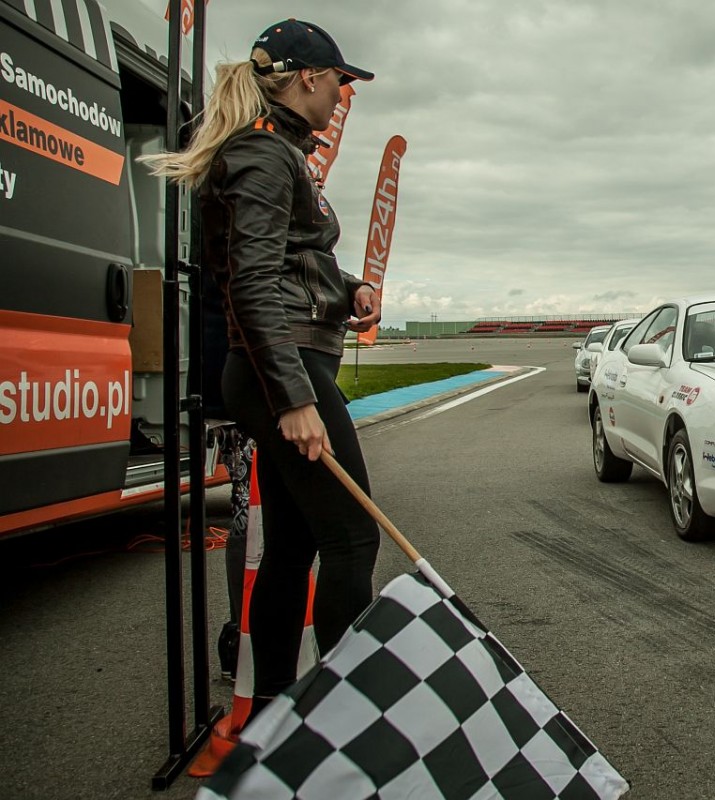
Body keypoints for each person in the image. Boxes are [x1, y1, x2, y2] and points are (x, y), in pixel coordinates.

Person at [143, 19, 382, 718]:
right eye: (340, 79)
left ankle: (277, 714)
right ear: (308, 77)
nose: (343, 94)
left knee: (297, 543)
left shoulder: (275, 152)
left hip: (287, 364)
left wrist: (348, 293)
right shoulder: (263, 155)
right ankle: (344, 727)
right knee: (354, 536)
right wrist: (293, 398)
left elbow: (283, 267)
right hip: (282, 370)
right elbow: (247, 284)